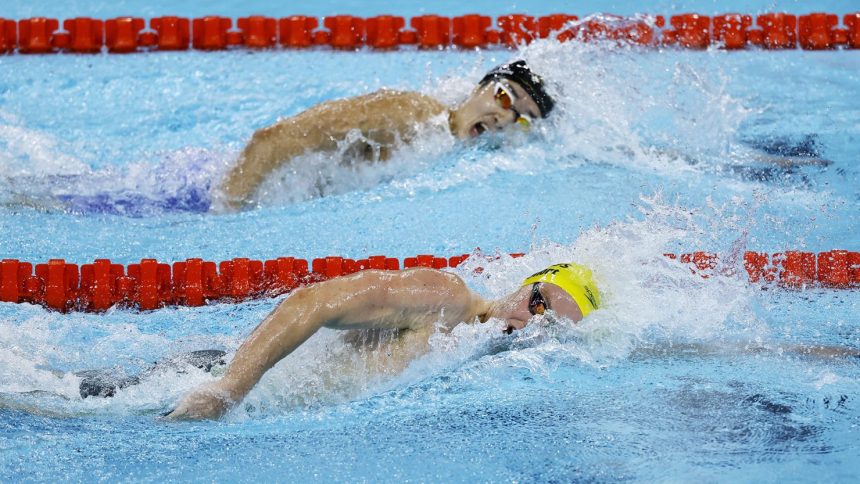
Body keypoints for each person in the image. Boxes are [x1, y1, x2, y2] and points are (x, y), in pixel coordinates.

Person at [165, 262, 598, 420]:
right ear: (526, 285)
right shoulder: (446, 298)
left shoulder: (473, 359)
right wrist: (230, 388)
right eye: (537, 303)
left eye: (548, 326)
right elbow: (310, 302)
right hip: (209, 381)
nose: (526, 323)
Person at [218, 60, 555, 209]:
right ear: (480, 85)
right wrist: (227, 212)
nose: (504, 118)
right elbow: (273, 140)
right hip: (229, 196)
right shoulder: (413, 113)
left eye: (522, 119)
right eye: (505, 96)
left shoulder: (451, 149)